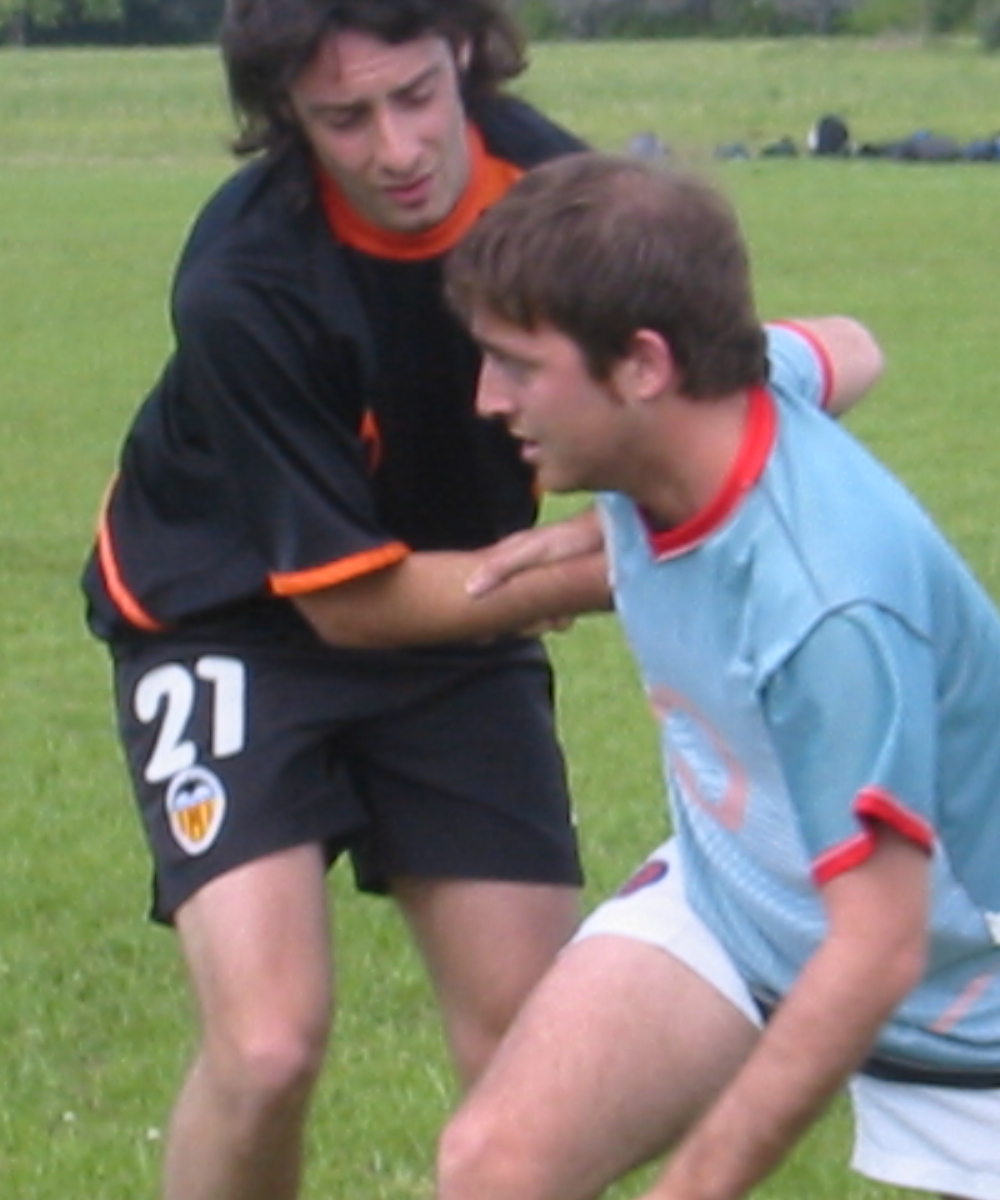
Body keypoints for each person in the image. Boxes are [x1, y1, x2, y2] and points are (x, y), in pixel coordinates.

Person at [432, 151, 1000, 1200]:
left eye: (516, 364)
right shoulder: (725, 387)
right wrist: (606, 530)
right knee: (495, 1168)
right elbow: (852, 347)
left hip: (982, 994)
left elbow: (876, 951)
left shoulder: (827, 607)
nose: (486, 397)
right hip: (742, 904)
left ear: (643, 367)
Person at [79, 2, 612, 1197]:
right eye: (345, 118)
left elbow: (669, 388)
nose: (397, 149)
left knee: (531, 1045)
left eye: (415, 96)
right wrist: (602, 569)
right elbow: (351, 608)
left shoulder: (561, 198)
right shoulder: (246, 279)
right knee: (267, 1046)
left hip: (460, 611)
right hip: (225, 622)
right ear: (286, 115)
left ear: (460, 51)